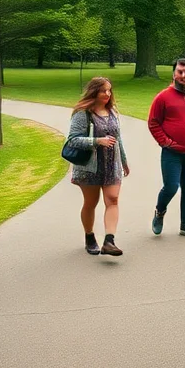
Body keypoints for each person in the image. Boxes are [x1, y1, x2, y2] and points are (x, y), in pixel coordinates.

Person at [67, 77, 131, 256]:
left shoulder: (112, 112)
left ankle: (109, 241)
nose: (108, 94)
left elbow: (118, 140)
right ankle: (89, 236)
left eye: (110, 90)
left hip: (112, 165)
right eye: (104, 90)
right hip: (90, 168)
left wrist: (124, 161)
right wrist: (97, 141)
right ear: (94, 91)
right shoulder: (83, 113)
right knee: (91, 203)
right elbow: (73, 139)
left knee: (113, 200)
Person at [148, 58, 185, 239]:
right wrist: (166, 142)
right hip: (171, 152)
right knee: (171, 186)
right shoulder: (163, 97)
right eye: (180, 72)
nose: (183, 75)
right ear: (174, 73)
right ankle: (160, 212)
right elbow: (153, 122)